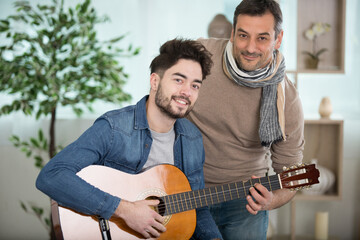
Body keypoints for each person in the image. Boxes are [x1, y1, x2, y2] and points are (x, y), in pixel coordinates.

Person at [36, 38, 223, 240]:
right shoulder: (114, 128)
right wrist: (125, 210)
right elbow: (51, 176)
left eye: (195, 85)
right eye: (179, 80)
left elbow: (196, 208)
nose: (187, 92)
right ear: (155, 81)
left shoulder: (192, 139)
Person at [187, 0, 304, 239]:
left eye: (262, 38)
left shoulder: (286, 96)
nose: (250, 47)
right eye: (243, 35)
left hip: (243, 199)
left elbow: (293, 174)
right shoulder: (198, 57)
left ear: (278, 39)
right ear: (232, 33)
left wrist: (272, 200)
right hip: (186, 193)